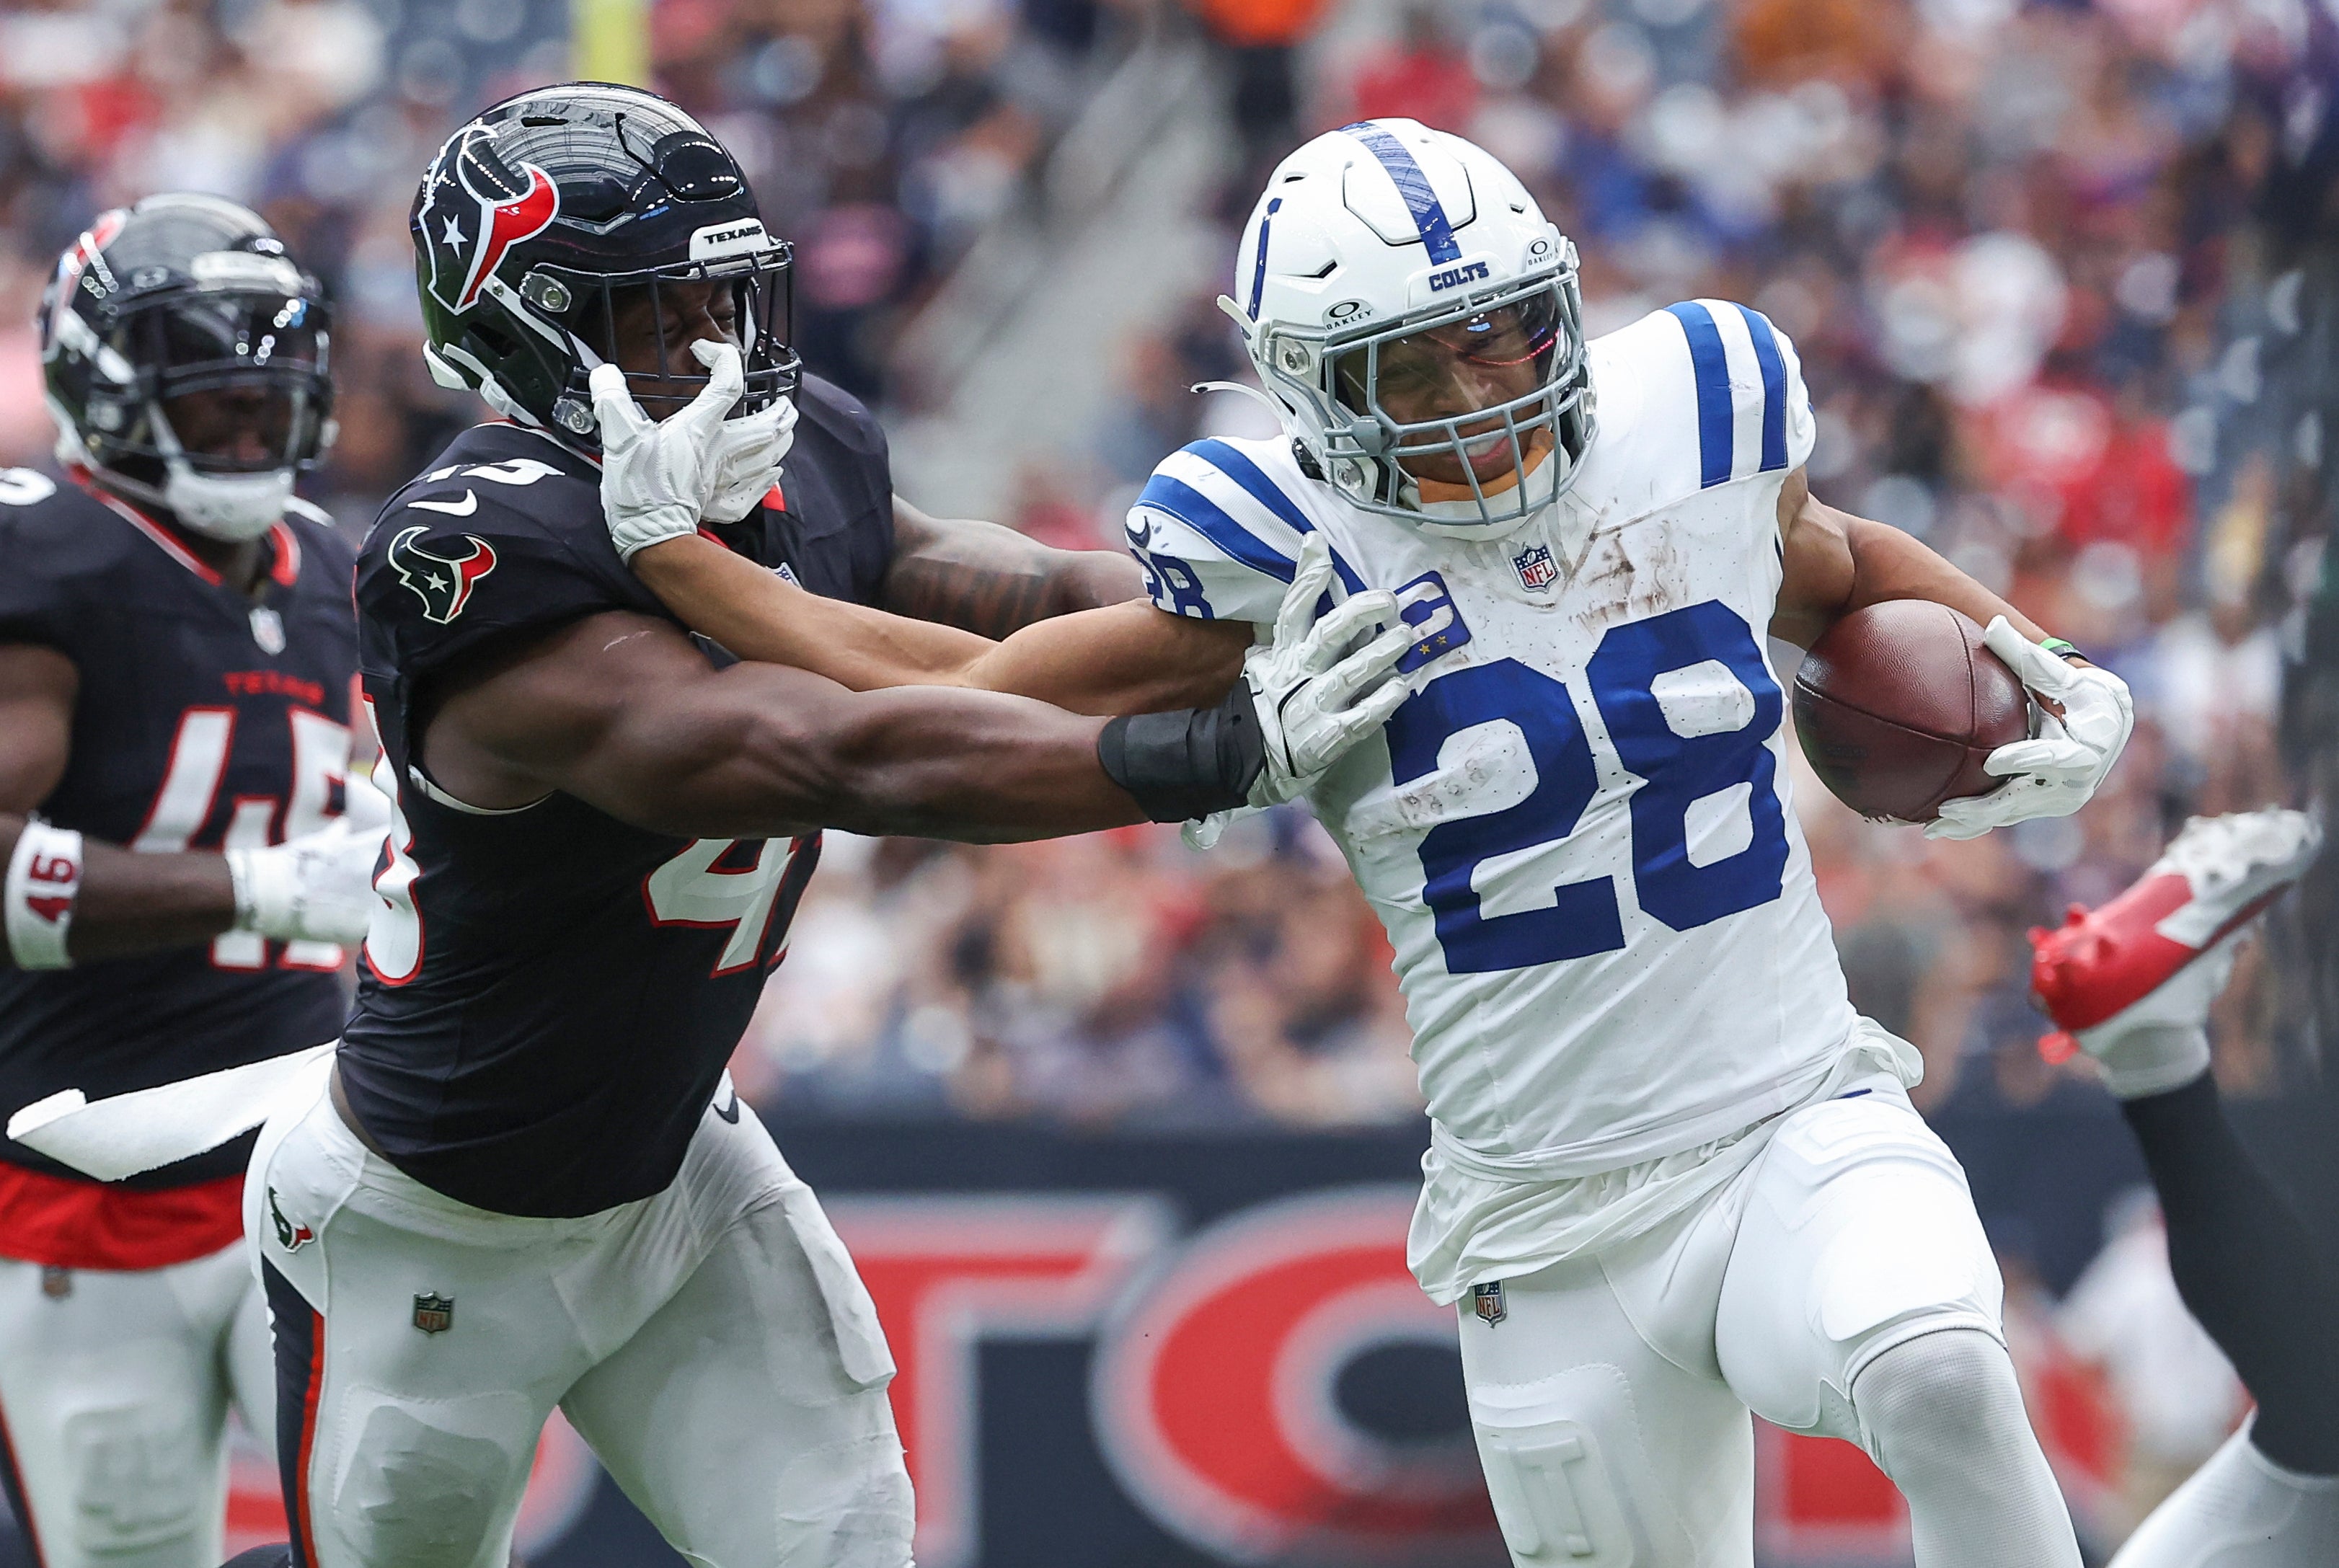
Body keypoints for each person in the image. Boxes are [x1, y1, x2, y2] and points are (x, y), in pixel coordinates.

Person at [614, 120, 2140, 1566]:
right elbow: (968, 690)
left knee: (1938, 1367)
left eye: (1498, 336)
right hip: (1543, 1220)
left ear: (1557, 307)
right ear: (1308, 392)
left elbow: (1835, 564)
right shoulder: (1280, 553)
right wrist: (684, 563)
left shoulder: (1693, 418)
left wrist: (2038, 657)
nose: (1472, 392)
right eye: (1402, 368)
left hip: (1789, 1113)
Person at [229, 84, 1408, 1568]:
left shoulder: (794, 461)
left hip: (675, 1168)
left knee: (845, 1542)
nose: (718, 352)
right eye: (656, 319)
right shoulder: (479, 554)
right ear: (527, 335)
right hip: (433, 1222)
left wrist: (1254, 603)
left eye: (725, 299)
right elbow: (844, 753)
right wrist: (1216, 752)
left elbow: (1028, 599)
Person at [0, 196, 382, 1568]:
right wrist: (260, 888)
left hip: (314, 1168)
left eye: (267, 404)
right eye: (215, 405)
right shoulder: (46, 550)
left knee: (403, 1543)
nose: (247, 434)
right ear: (105, 394)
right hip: (81, 1180)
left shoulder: (330, 561)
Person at [2030, 808, 2339, 1566]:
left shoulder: (2139, 1257)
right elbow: (2081, 1352)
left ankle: (2157, 1068)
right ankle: (2157, 1066)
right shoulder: (2136, 1260)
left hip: (2221, 1444)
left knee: (2313, 1420)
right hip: (2167, 1447)